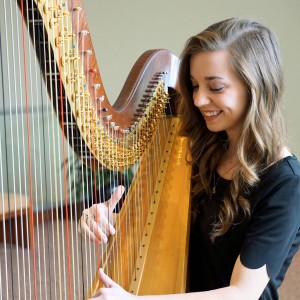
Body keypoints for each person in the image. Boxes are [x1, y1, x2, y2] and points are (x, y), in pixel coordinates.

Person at [79, 18, 300, 300]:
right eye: (194, 86)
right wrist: (100, 216)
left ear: (255, 89)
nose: (197, 100)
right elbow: (144, 213)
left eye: (215, 88)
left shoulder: (285, 182)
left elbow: (242, 293)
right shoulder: (199, 147)